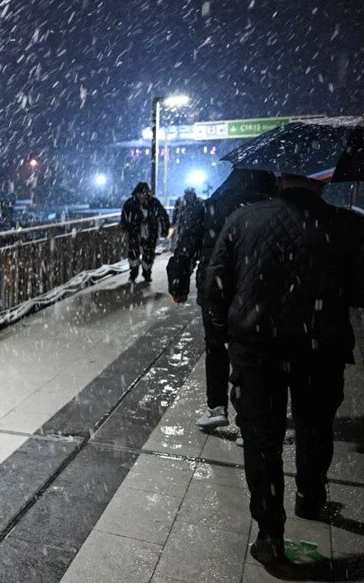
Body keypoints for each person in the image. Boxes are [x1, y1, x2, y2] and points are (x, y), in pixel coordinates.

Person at [205, 173, 364, 568]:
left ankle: (270, 535)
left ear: (280, 181)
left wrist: (223, 333)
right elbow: (361, 291)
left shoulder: (244, 219)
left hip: (257, 348)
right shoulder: (348, 224)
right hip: (320, 348)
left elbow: (216, 282)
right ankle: (311, 496)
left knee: (262, 438)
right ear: (323, 184)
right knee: (315, 426)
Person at [166, 170, 275, 434]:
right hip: (255, 288)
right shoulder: (270, 208)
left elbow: (185, 246)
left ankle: (216, 408)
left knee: (215, 345)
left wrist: (179, 282)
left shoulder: (211, 206)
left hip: (214, 287)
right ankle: (248, 417)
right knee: (252, 351)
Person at [119, 182, 170, 282]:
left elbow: (163, 215)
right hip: (135, 231)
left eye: (144, 194)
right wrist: (125, 227)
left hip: (150, 232)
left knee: (149, 253)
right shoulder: (130, 203)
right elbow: (124, 217)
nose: (142, 196)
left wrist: (165, 229)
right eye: (140, 194)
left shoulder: (154, 203)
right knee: (133, 253)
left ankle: (147, 273)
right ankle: (133, 274)